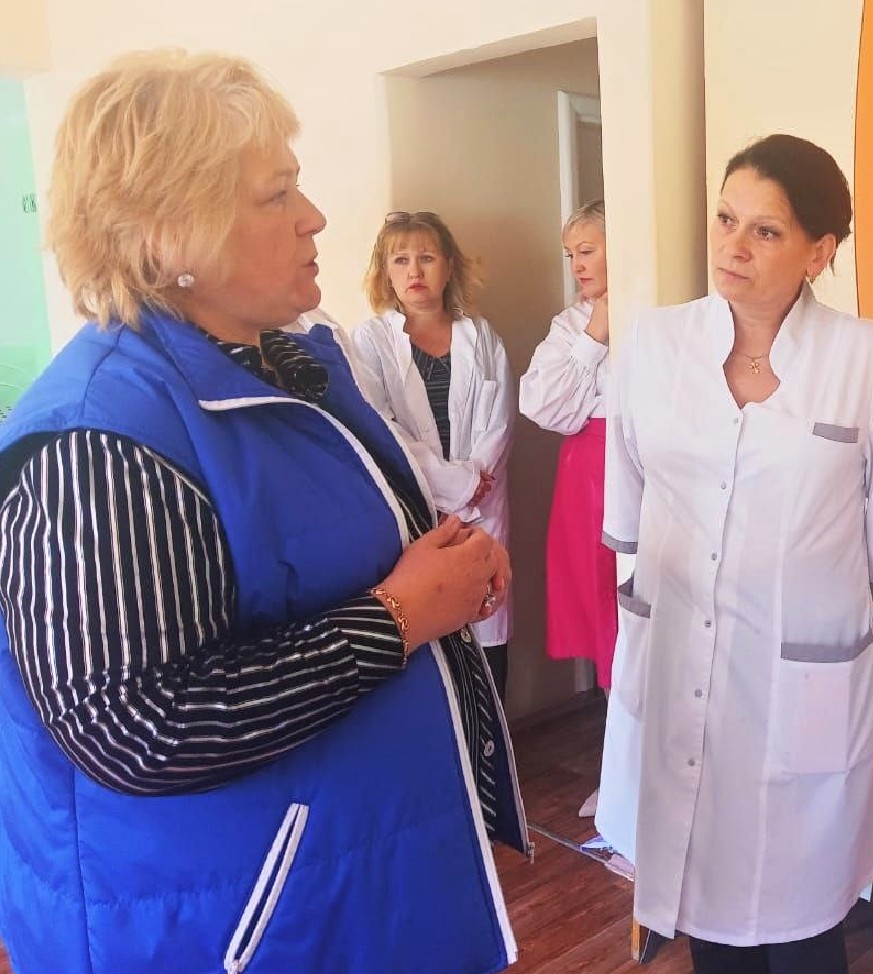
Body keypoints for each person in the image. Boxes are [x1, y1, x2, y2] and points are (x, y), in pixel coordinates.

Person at [0, 50, 526, 974]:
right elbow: (138, 725)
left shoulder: (287, 365)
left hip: (350, 883)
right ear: (168, 235)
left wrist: (444, 564)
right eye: (276, 194)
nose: (313, 216)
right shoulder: (96, 438)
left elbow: (316, 554)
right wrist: (400, 616)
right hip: (229, 925)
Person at [601, 133, 873, 973]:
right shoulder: (654, 346)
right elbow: (630, 511)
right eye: (725, 219)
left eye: (766, 231)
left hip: (798, 686)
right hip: (676, 667)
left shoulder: (866, 359)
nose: (732, 246)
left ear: (819, 252)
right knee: (708, 920)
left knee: (806, 924)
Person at [352, 211, 516, 701]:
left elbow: (500, 421)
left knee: (486, 633)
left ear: (449, 267)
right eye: (400, 260)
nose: (414, 271)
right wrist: (454, 487)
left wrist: (470, 490)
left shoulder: (481, 337)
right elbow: (381, 430)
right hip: (418, 510)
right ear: (385, 272)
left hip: (483, 509)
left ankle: (493, 740)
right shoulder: (371, 341)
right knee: (427, 639)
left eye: (426, 258)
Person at [519, 199, 616, 818]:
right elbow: (543, 407)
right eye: (570, 254)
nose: (577, 265)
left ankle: (649, 774)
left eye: (587, 250)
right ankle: (620, 769)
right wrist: (594, 335)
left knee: (643, 620)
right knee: (602, 618)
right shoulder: (570, 325)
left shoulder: (666, 313)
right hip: (586, 481)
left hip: (643, 473)